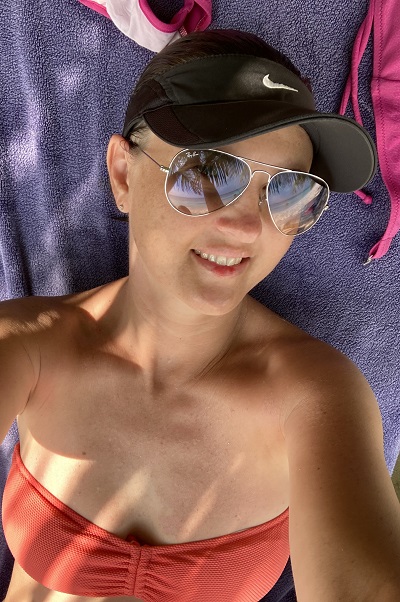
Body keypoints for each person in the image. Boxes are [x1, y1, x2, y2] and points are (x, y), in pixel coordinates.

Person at [1, 28, 400, 602]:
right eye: (209, 174)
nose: (247, 226)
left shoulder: (315, 394)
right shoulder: (27, 346)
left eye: (289, 191)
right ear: (123, 174)